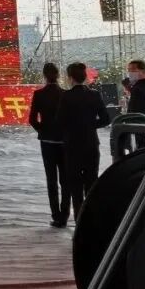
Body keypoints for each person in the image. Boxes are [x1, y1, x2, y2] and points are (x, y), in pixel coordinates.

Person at [55, 62, 110, 220]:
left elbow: (59, 121)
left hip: (72, 146)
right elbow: (106, 119)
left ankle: (79, 219)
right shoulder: (95, 95)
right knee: (91, 182)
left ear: (70, 78)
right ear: (85, 77)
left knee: (75, 185)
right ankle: (91, 218)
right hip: (91, 144)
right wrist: (90, 125)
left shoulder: (66, 96)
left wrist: (72, 128)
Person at [28, 63, 68, 228]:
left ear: (44, 75)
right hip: (65, 142)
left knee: (51, 179)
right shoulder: (65, 94)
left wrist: (43, 131)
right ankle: (65, 215)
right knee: (65, 180)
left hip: (47, 143)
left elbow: (32, 119)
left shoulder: (39, 94)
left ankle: (56, 216)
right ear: (58, 75)